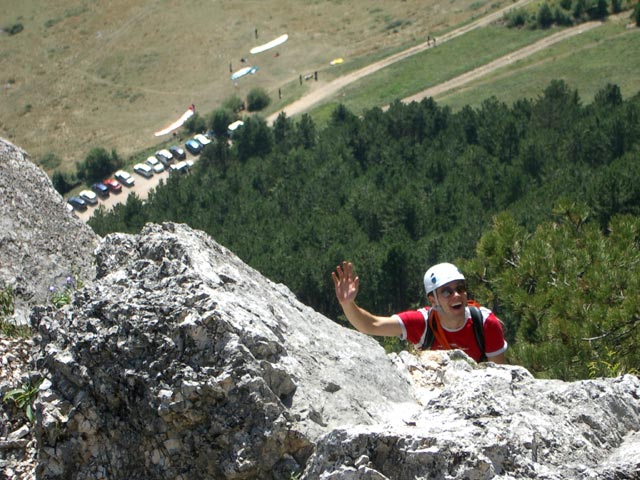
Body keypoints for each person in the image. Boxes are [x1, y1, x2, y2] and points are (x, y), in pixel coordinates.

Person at [332, 261, 507, 363]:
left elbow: (500, 379)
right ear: (433, 300)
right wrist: (348, 304)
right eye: (446, 291)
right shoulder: (422, 323)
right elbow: (372, 325)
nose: (457, 295)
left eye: (460, 288)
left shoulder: (484, 324)